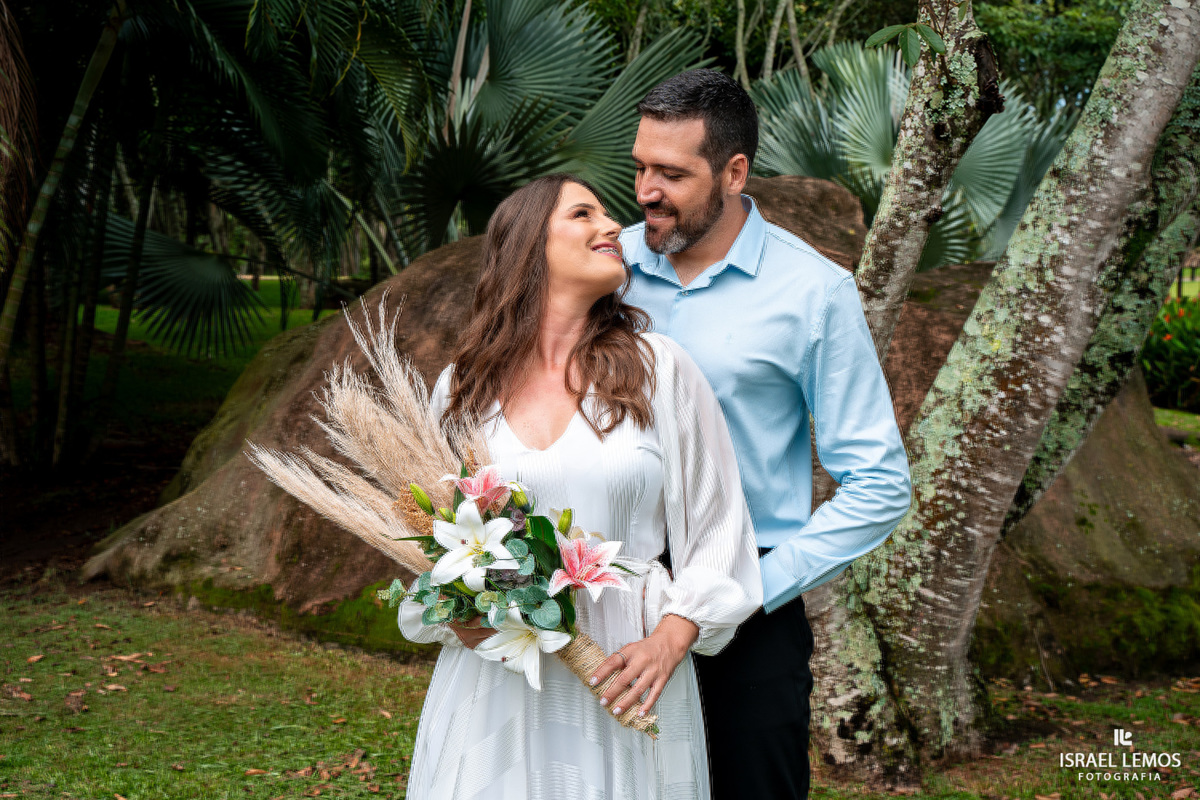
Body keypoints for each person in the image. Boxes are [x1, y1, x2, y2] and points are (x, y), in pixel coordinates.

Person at [398, 173, 763, 800]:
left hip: (627, 664)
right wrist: (457, 616)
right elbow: (436, 539)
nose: (613, 226)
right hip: (500, 671)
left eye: (607, 214)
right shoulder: (464, 388)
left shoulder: (661, 368)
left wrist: (671, 639)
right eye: (582, 214)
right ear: (527, 246)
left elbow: (719, 527)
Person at [618, 69, 914, 799]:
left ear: (734, 171)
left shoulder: (814, 292)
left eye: (672, 174)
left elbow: (879, 483)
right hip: (611, 592)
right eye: (640, 167)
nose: (647, 191)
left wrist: (756, 588)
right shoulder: (605, 266)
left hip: (747, 612)